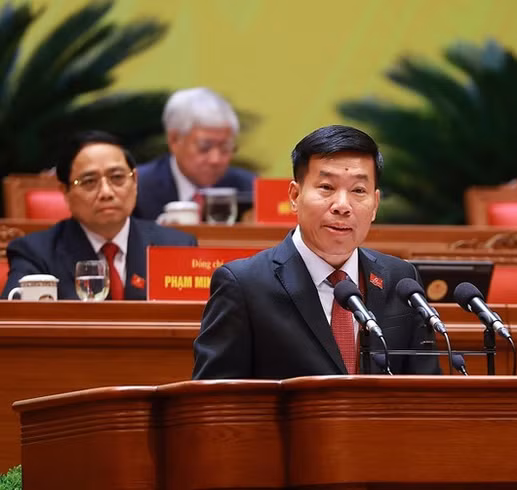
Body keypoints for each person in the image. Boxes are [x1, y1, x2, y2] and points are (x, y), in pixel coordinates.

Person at [193, 125, 440, 379]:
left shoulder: (400, 280)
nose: (342, 206)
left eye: (358, 190)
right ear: (294, 196)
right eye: (326, 187)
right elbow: (214, 402)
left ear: (375, 204)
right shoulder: (244, 285)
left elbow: (427, 394)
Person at [2, 131, 197, 300]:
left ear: (135, 181)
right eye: (89, 182)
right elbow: (15, 323)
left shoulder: (176, 247)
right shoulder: (36, 253)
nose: (106, 192)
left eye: (117, 178)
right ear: (65, 191)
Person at [133, 87, 255, 221]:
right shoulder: (138, 188)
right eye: (205, 147)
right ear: (174, 140)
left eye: (225, 147)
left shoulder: (248, 187)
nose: (215, 159)